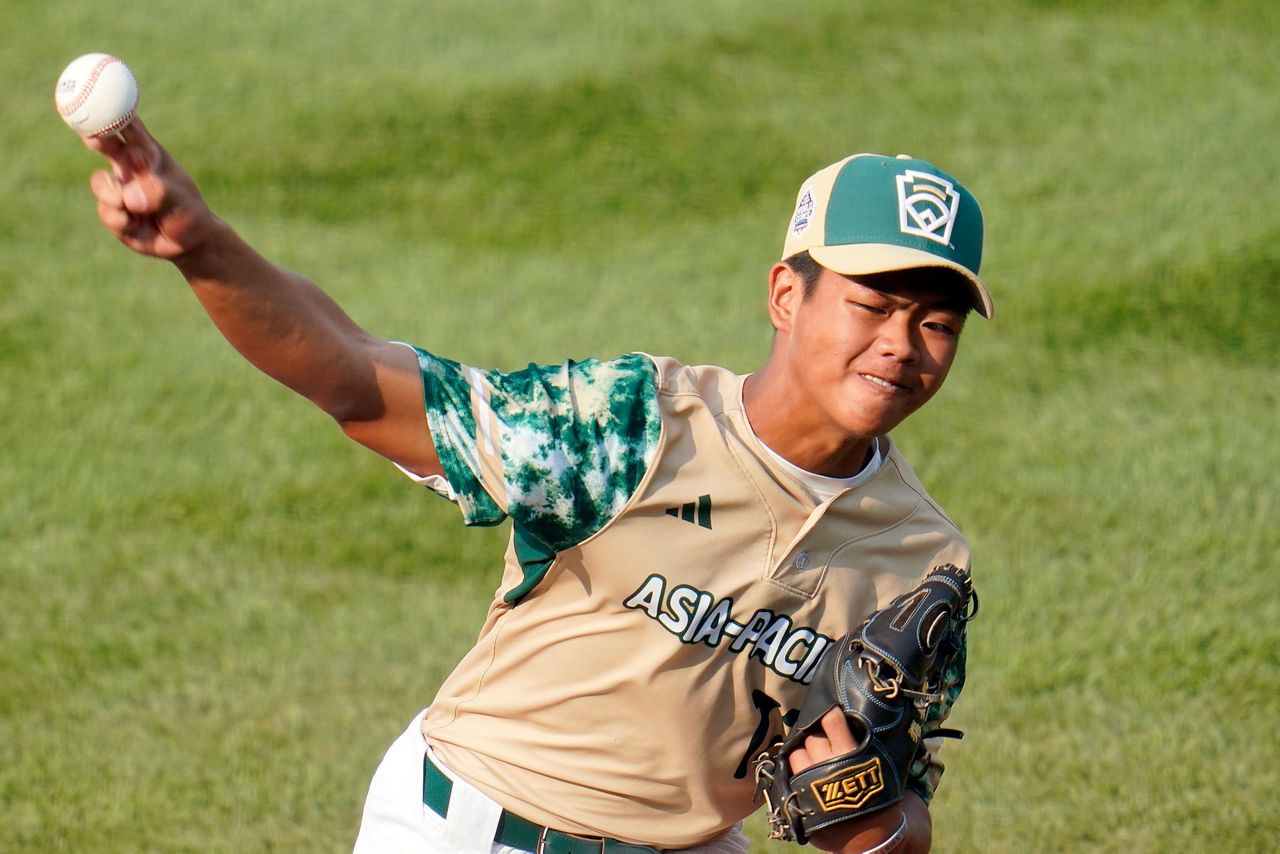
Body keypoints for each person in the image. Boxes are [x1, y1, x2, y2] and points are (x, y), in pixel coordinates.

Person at [83, 118, 992, 854]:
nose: (900, 346)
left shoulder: (923, 559)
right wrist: (201, 248)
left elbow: (906, 810)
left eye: (937, 324)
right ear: (786, 296)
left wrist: (874, 829)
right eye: (871, 305)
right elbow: (359, 381)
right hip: (472, 829)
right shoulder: (637, 423)